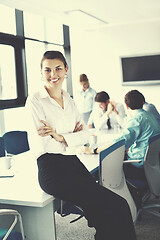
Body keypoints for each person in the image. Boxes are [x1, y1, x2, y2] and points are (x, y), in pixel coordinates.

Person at [25, 50, 137, 240]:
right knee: (116, 205)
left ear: (66, 70)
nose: (53, 75)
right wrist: (70, 138)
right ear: (41, 72)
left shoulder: (69, 100)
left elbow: (85, 134)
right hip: (51, 169)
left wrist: (60, 137)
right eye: (48, 70)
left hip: (73, 163)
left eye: (58, 69)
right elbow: (44, 144)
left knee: (105, 211)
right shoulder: (35, 101)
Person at [84, 90, 160, 182]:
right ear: (143, 102)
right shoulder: (150, 116)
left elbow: (118, 143)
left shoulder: (136, 120)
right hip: (152, 164)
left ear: (127, 106)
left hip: (139, 166)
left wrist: (94, 150)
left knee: (105, 169)